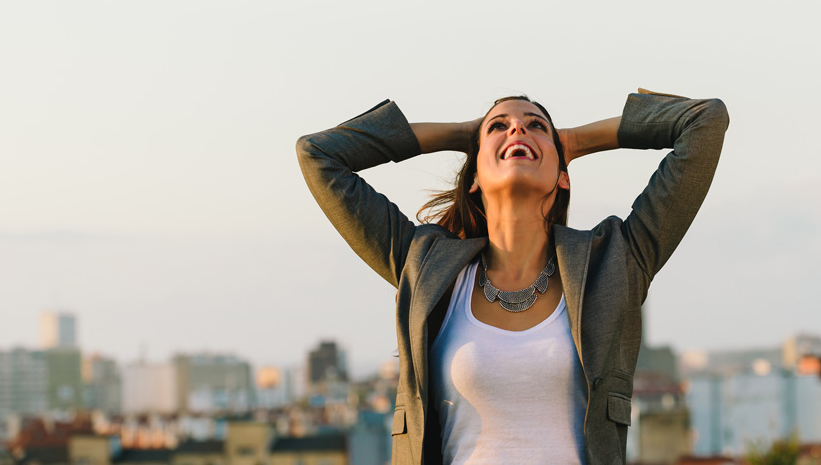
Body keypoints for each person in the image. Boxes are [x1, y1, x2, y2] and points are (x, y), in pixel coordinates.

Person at [296, 89, 728, 464]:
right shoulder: (424, 265)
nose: (517, 130)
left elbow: (704, 121)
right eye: (498, 127)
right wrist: (460, 134)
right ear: (473, 179)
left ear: (563, 175)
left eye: (536, 126)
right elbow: (318, 153)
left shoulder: (615, 262)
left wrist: (574, 140)